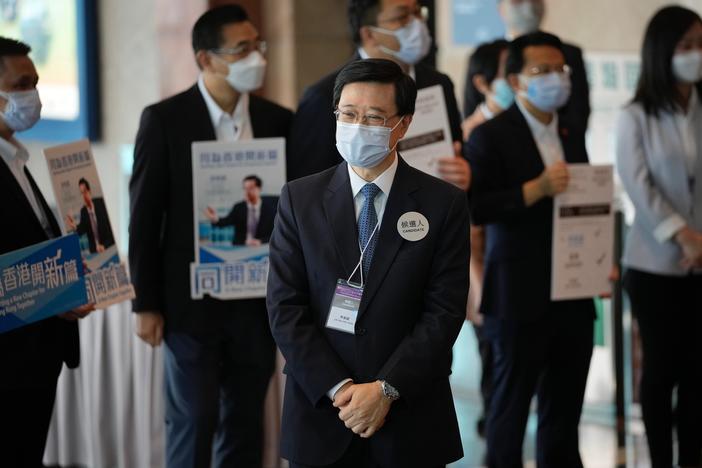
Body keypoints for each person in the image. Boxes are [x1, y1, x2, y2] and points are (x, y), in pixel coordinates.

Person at [267, 58, 469, 468]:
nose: (359, 125)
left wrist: (385, 390)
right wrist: (341, 389)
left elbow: (443, 313)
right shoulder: (299, 199)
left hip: (410, 417)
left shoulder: (443, 203)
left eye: (374, 117)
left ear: (403, 124)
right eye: (349, 113)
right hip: (323, 413)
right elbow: (285, 308)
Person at [129, 5, 292, 467]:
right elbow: (143, 218)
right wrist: (145, 302)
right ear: (206, 59)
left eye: (257, 45)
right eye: (241, 49)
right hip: (189, 302)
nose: (256, 56)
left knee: (244, 422)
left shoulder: (278, 119)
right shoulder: (164, 120)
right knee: (194, 418)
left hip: (257, 302)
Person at [465, 32, 597, 467]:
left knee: (564, 411)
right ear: (516, 80)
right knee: (510, 407)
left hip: (573, 287)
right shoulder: (490, 135)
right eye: (541, 71)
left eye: (560, 70)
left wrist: (600, 263)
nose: (554, 79)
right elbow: (477, 207)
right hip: (517, 292)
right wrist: (533, 190)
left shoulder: (569, 128)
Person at [616, 6, 702, 467]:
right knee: (661, 372)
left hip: (701, 261)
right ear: (662, 51)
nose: (695, 54)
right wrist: (684, 236)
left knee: (696, 376)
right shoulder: (636, 116)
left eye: (700, 44)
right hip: (654, 266)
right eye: (685, 45)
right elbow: (639, 186)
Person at [0, 36, 92, 467]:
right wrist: (51, 293)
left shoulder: (16, 159)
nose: (32, 96)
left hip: (36, 355)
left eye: (35, 83)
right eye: (22, 84)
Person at [287, 0, 469, 192]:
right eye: (402, 17)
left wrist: (464, 172)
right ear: (369, 34)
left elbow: (459, 152)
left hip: (430, 211)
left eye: (417, 13)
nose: (417, 24)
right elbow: (306, 187)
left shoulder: (438, 83)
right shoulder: (322, 96)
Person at [460, 38, 513, 438]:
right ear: (481, 82)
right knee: (494, 358)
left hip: (518, 266)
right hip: (483, 267)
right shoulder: (467, 136)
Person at [497, 0, 590, 135]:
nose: (528, 6)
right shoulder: (488, 55)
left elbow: (578, 113)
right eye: (518, 1)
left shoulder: (568, 53)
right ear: (501, 9)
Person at [204, 175, 278, 246]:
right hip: (241, 246)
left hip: (261, 249)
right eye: (245, 188)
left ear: (259, 189)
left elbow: (275, 233)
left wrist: (261, 241)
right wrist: (214, 218)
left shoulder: (270, 208)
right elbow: (226, 221)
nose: (247, 192)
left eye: (250, 188)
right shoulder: (238, 207)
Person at [65, 177, 115, 254]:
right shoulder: (83, 211)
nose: (83, 196)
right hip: (94, 251)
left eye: (85, 192)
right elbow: (82, 229)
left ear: (89, 191)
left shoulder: (102, 204)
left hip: (108, 248)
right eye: (81, 193)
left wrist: (104, 246)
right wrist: (74, 226)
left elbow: (111, 229)